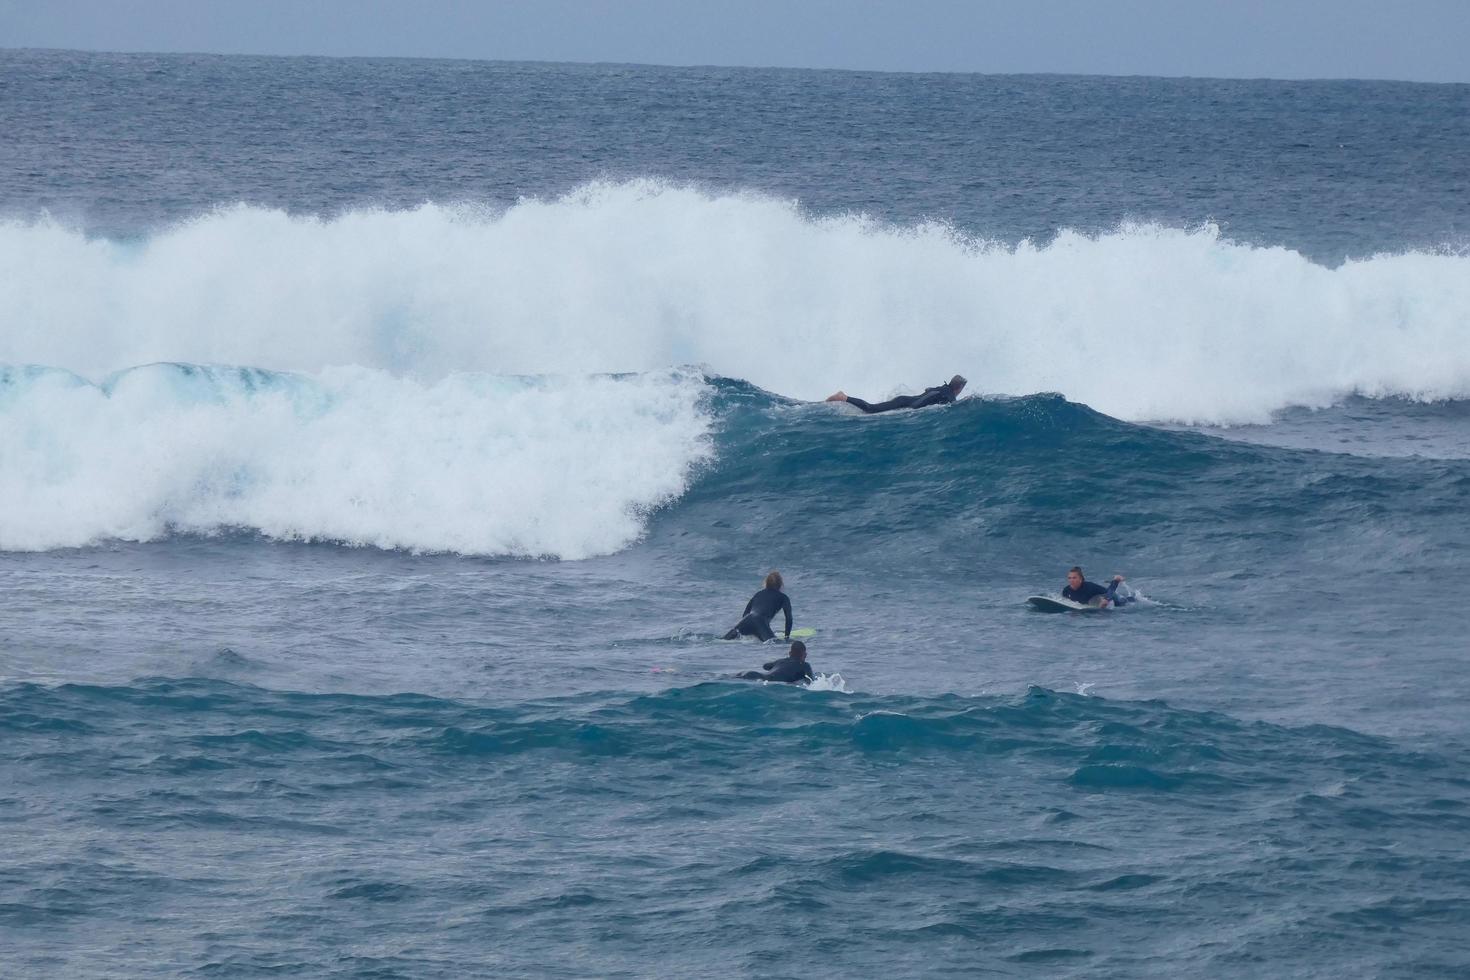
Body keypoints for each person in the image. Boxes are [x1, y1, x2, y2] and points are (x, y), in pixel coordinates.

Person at [825, 375, 967, 414]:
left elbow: (928, 390)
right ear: (959, 388)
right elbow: (921, 401)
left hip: (904, 400)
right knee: (870, 409)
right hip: (905, 403)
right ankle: (843, 397)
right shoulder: (949, 396)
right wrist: (913, 409)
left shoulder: (943, 388)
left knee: (871, 410)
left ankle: (844, 399)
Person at [723, 570, 793, 641]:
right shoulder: (784, 597)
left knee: (723, 640)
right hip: (760, 623)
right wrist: (787, 637)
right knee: (774, 644)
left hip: (747, 620)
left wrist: (751, 631)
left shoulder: (758, 594)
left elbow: (745, 614)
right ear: (780, 585)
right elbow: (789, 619)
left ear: (766, 583)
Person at [737, 640, 815, 684]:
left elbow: (765, 666)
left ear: (790, 653)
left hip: (752, 674)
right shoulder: (805, 666)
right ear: (804, 654)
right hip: (767, 682)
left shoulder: (781, 661)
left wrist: (777, 663)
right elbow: (810, 682)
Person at [1062, 566, 1132, 607]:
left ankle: (1116, 580)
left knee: (1122, 603)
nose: (1071, 580)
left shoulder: (1089, 587)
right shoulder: (1066, 591)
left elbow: (1109, 591)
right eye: (1069, 578)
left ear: (1080, 579)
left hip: (1110, 597)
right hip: (1093, 602)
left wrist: (1106, 599)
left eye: (1074, 578)